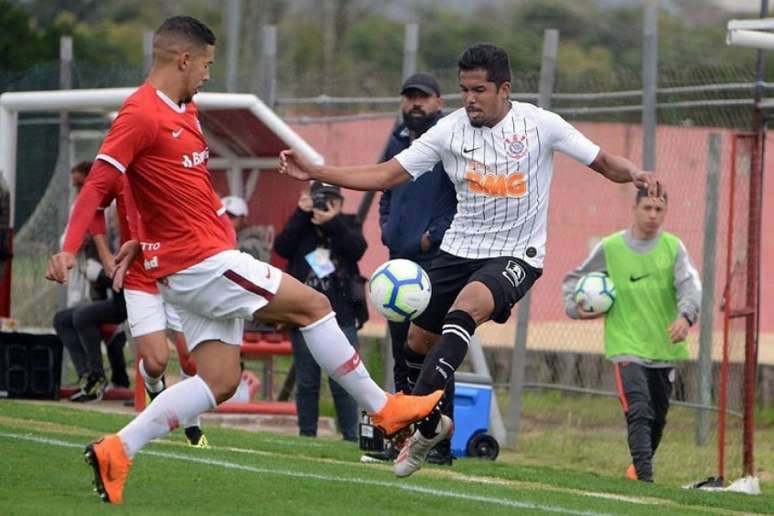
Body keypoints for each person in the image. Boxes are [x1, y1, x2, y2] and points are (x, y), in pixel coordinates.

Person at [45, 16, 442, 504]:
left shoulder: (185, 111)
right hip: (202, 263)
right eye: (207, 64)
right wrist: (68, 245)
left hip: (190, 264)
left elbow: (170, 192)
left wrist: (145, 240)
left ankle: (117, 450)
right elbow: (102, 183)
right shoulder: (140, 114)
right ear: (183, 59)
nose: (210, 74)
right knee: (315, 306)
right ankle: (386, 411)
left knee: (220, 380)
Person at [279, 42, 662, 478]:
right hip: (458, 250)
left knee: (465, 311)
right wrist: (317, 171)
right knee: (416, 346)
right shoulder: (448, 131)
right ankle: (434, 423)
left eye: (479, 90)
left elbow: (604, 162)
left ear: (504, 88)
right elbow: (388, 174)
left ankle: (415, 426)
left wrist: (635, 173)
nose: (470, 99)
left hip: (517, 253)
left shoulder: (540, 125)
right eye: (464, 90)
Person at [562, 188, 701, 483]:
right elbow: (574, 278)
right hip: (625, 344)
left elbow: (690, 286)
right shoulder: (611, 247)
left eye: (659, 210)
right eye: (647, 207)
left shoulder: (673, 248)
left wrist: (685, 317)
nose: (653, 215)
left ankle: (636, 470)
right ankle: (646, 479)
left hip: (664, 346)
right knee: (638, 408)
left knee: (657, 418)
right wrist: (576, 308)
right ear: (635, 208)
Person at [375, 72, 457, 464]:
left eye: (422, 97)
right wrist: (387, 227)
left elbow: (464, 194)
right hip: (399, 265)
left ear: (439, 102)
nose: (415, 104)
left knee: (433, 352)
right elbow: (385, 191)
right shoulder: (397, 141)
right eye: (409, 97)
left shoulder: (450, 141)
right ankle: (401, 438)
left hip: (434, 262)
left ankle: (437, 443)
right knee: (400, 354)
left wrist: (433, 235)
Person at [274, 182, 366, 441]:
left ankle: (350, 436)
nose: (325, 205)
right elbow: (282, 247)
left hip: (343, 314)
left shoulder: (348, 224)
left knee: (345, 380)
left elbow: (357, 249)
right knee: (307, 381)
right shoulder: (302, 226)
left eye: (331, 200)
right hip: (303, 315)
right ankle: (307, 435)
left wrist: (332, 221)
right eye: (320, 199)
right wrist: (301, 213)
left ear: (340, 202)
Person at [54, 161, 129, 401]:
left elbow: (128, 274)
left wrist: (100, 272)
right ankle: (89, 375)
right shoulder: (91, 210)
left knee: (85, 317)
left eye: (82, 186)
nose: (79, 194)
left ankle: (103, 379)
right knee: (64, 318)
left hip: (130, 298)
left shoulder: (118, 215)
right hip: (110, 294)